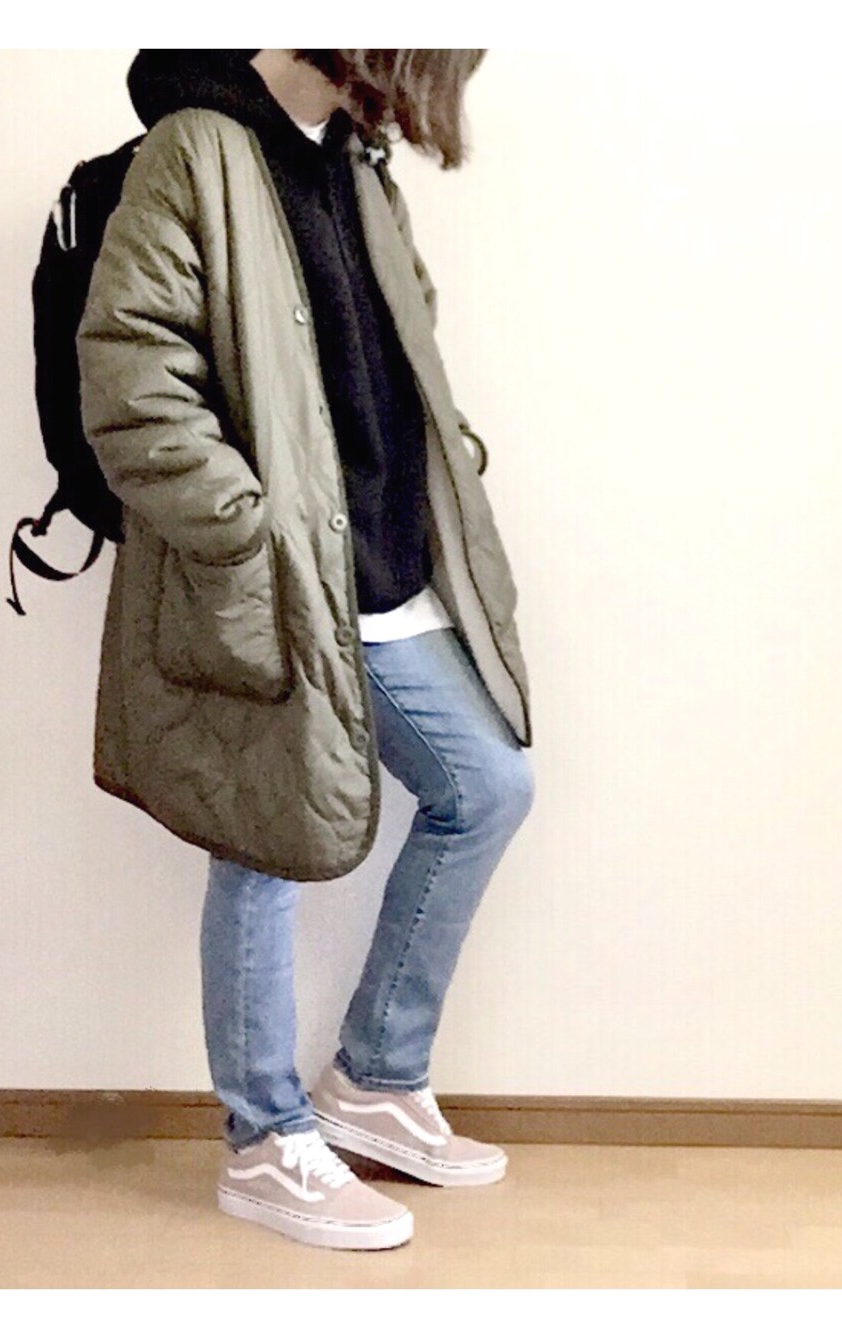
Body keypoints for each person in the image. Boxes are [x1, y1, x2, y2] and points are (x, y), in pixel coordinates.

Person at [76, 49, 535, 1252]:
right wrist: (250, 526)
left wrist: (448, 467)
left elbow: (401, 351)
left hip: (379, 568)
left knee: (487, 785)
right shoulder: (196, 150)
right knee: (262, 835)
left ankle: (375, 1078)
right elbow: (130, 378)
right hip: (274, 577)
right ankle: (265, 1139)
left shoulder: (358, 160)